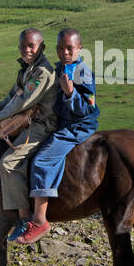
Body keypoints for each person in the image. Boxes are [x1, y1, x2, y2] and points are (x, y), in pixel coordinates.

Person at [14, 28, 100, 245]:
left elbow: (88, 109)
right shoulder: (60, 67)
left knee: (42, 160)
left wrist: (70, 94)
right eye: (61, 48)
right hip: (61, 123)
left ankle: (40, 220)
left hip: (77, 126)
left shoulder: (82, 72)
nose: (65, 52)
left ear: (79, 48)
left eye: (70, 48)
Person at [0, 28, 59, 240]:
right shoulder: (27, 70)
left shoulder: (42, 72)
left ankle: (24, 219)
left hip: (42, 125)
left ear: (41, 47)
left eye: (31, 46)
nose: (27, 50)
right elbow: (12, 97)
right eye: (23, 46)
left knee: (7, 163)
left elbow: (23, 102)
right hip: (28, 121)